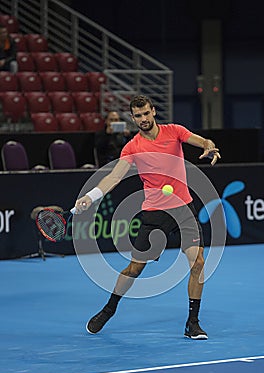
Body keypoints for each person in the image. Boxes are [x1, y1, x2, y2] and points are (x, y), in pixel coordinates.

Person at [75, 95, 221, 340]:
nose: (143, 119)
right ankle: (109, 308)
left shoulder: (174, 131)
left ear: (153, 112)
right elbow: (114, 177)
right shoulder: (132, 147)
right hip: (154, 214)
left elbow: (201, 140)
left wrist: (208, 145)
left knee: (198, 263)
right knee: (134, 269)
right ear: (133, 118)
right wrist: (91, 196)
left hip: (184, 209)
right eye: (138, 116)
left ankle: (192, 322)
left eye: (146, 113)